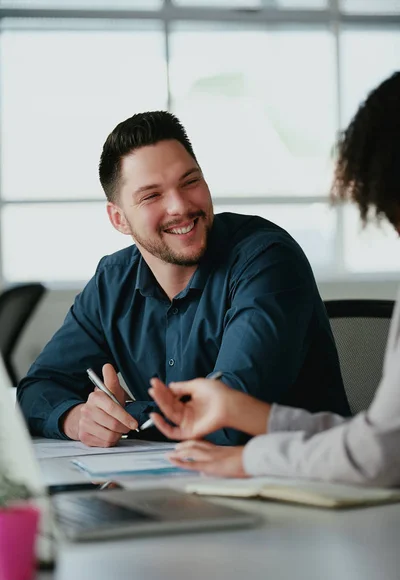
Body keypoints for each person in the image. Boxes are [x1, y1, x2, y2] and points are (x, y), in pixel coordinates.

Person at [18, 111, 348, 447]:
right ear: (119, 219)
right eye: (151, 196)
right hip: (177, 481)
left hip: (297, 480)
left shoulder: (266, 260)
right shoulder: (112, 281)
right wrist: (75, 419)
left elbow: (231, 414)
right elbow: (36, 389)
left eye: (190, 181)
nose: (179, 206)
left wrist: (129, 413)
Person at [148, 72, 400, 487]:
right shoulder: (112, 274)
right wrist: (238, 409)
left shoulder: (264, 257)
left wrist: (250, 458)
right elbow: (377, 438)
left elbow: (377, 456)